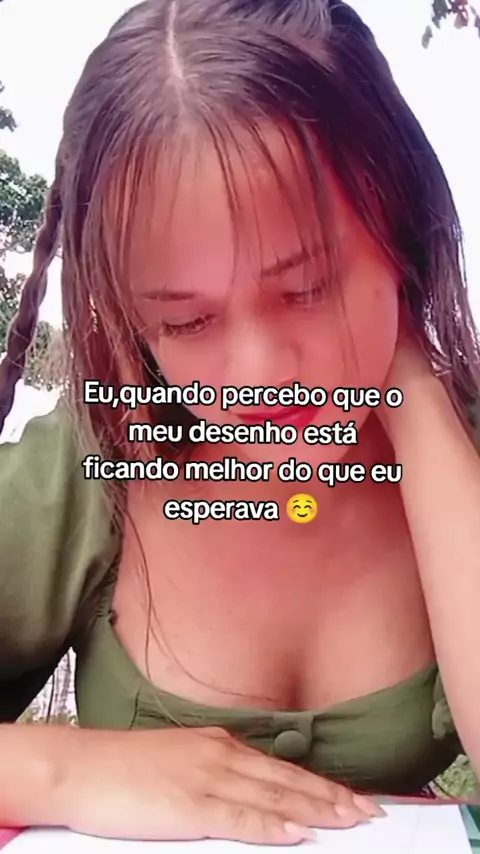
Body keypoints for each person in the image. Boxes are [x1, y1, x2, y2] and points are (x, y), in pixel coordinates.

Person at [1, 0, 479, 844]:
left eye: (307, 287)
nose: (259, 375)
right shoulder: (99, 459)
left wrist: (416, 398)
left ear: (398, 230)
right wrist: (64, 770)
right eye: (186, 321)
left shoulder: (462, 456)